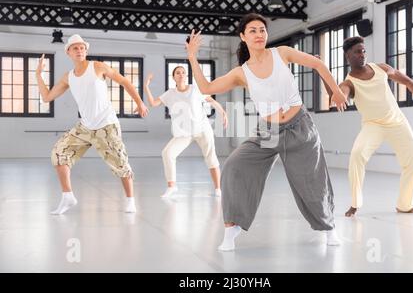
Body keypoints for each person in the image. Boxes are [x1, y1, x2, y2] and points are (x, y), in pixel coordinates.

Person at [186, 13, 348, 251]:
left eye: (262, 29)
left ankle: (329, 228)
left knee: (312, 183)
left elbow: (318, 64)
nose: (259, 34)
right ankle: (232, 228)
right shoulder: (242, 72)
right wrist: (192, 57)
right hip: (269, 132)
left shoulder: (281, 53)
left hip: (299, 127)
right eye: (252, 30)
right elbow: (206, 87)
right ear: (243, 37)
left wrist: (335, 91)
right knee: (234, 166)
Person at [36, 34, 148, 215]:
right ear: (68, 53)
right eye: (75, 48)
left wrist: (140, 103)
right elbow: (47, 97)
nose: (79, 50)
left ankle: (130, 200)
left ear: (86, 51)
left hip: (106, 124)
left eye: (82, 48)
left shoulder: (97, 66)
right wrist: (38, 75)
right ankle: (67, 197)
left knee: (120, 163)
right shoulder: (68, 77)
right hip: (85, 127)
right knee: (59, 153)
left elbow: (124, 81)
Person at [337, 36, 413, 217]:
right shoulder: (348, 83)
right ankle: (355, 203)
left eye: (363, 51)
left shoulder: (381, 68)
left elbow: (407, 81)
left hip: (397, 122)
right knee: (356, 155)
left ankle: (404, 205)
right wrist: (336, 95)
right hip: (373, 125)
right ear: (348, 55)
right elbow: (341, 95)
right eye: (357, 52)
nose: (362, 54)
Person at [143, 67, 227, 197]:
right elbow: (153, 103)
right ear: (174, 77)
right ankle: (172, 187)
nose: (181, 75)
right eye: (178, 73)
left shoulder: (195, 89)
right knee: (167, 153)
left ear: (186, 76)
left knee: (211, 157)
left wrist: (223, 112)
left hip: (202, 129)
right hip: (184, 133)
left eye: (183, 72)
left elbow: (211, 101)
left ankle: (218, 189)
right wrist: (146, 86)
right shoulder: (170, 94)